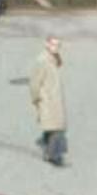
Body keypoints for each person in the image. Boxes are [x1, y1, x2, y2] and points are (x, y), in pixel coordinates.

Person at [29, 36, 67, 168]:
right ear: (46, 44)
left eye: (58, 45)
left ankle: (48, 150)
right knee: (56, 128)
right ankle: (54, 156)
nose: (56, 48)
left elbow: (58, 64)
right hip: (48, 100)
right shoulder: (42, 61)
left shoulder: (52, 58)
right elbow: (34, 83)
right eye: (53, 44)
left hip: (54, 99)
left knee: (52, 126)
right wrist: (36, 99)